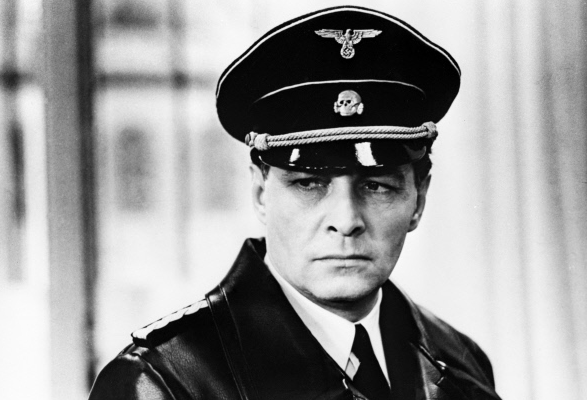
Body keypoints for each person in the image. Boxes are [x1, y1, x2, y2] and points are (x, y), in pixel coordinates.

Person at [89, 5, 501, 400]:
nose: (346, 220)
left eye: (377, 186)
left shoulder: (461, 363)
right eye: (309, 184)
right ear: (260, 193)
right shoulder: (163, 384)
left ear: (419, 198)